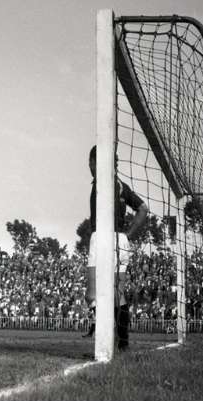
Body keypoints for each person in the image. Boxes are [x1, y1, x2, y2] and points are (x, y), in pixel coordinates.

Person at [84, 145, 148, 350]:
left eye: (91, 162)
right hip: (120, 239)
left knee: (92, 294)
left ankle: (104, 341)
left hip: (102, 237)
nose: (90, 167)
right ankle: (122, 344)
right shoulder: (121, 185)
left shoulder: (103, 180)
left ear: (96, 162)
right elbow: (143, 209)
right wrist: (127, 235)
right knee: (117, 295)